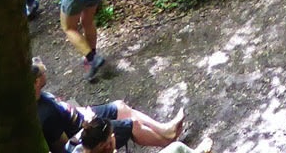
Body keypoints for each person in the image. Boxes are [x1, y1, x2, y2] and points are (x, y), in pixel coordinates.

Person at [32, 58, 188, 153]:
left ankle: (165, 130)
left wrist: (81, 111)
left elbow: (64, 108)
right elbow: (65, 148)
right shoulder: (46, 116)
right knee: (133, 125)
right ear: (36, 81)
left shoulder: (40, 95)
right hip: (84, 132)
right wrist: (88, 126)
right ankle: (168, 143)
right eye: (43, 72)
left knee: (120, 107)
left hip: (82, 116)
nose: (46, 72)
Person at [71, 117, 211, 153]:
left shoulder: (78, 149)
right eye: (111, 136)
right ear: (104, 145)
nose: (113, 136)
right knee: (177, 148)